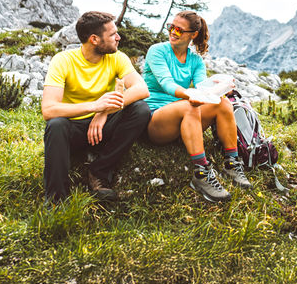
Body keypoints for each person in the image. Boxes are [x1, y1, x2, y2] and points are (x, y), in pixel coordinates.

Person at [41, 11, 150, 203]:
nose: (118, 37)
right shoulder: (63, 60)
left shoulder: (117, 57)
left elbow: (141, 89)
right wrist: (95, 105)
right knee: (56, 125)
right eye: (112, 34)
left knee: (140, 109)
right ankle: (56, 202)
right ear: (94, 39)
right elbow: (49, 109)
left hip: (103, 128)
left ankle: (99, 171)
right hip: (73, 131)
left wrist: (103, 111)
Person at [143, 10, 251, 203]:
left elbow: (203, 87)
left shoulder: (195, 60)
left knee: (223, 103)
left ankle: (232, 163)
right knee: (189, 106)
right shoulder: (157, 51)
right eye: (171, 27)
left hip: (184, 119)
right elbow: (166, 83)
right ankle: (201, 174)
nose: (173, 32)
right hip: (157, 120)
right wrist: (189, 95)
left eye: (179, 30)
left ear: (192, 35)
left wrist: (220, 88)